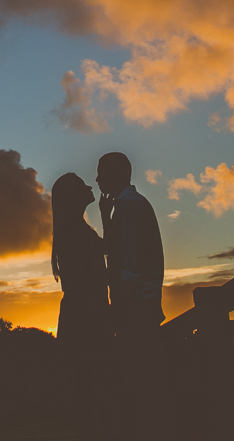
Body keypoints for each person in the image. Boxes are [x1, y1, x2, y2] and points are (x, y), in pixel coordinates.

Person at [51, 172, 112, 438]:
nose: (89, 185)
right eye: (82, 185)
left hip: (82, 315)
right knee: (90, 385)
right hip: (85, 317)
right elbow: (92, 274)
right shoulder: (74, 230)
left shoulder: (75, 228)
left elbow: (106, 251)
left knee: (88, 385)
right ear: (72, 197)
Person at [96, 152, 164, 337]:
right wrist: (105, 216)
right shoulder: (126, 204)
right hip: (136, 300)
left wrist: (121, 303)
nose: (96, 179)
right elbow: (115, 249)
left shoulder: (130, 205)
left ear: (114, 175)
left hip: (138, 302)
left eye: (101, 174)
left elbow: (129, 259)